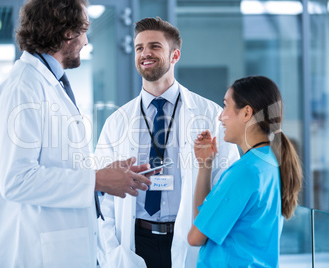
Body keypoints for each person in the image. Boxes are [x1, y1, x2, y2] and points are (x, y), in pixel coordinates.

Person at [0, 1, 152, 267]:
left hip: (60, 246)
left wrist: (104, 173)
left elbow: (55, 162)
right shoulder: (23, 87)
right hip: (36, 250)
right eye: (83, 30)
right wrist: (96, 181)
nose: (86, 41)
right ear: (66, 33)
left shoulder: (49, 83)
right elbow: (16, 180)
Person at [95, 17, 239, 268]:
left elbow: (228, 187)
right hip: (134, 242)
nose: (145, 53)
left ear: (175, 55)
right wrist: (111, 250)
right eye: (139, 48)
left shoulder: (209, 115)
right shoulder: (117, 122)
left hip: (189, 240)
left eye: (155, 46)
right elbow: (103, 196)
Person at [187, 76, 303, 267]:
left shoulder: (244, 172)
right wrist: (205, 165)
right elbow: (202, 226)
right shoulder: (269, 161)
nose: (220, 116)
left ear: (247, 112)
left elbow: (195, 237)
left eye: (226, 106)